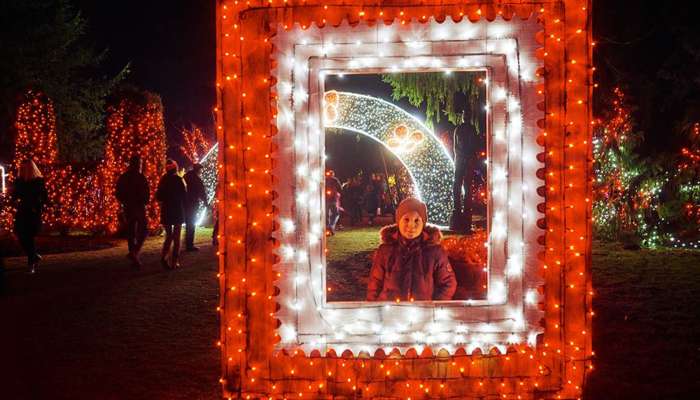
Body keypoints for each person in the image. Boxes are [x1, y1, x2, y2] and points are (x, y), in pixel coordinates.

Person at [366, 197, 456, 301]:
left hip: (422, 313)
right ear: (398, 221)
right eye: (406, 219)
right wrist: (374, 307)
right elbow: (375, 283)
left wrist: (434, 306)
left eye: (417, 220)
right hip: (391, 312)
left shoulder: (434, 251)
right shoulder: (386, 250)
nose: (411, 226)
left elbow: (448, 282)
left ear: (423, 223)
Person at [12, 159, 48, 274]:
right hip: (22, 211)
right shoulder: (19, 181)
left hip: (32, 212)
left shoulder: (38, 181)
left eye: (23, 168)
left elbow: (44, 196)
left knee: (29, 237)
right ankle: (34, 256)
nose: (21, 170)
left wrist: (39, 206)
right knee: (19, 234)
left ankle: (31, 263)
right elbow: (15, 195)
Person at [115, 155, 150, 268]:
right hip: (137, 206)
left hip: (129, 206)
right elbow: (146, 192)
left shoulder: (124, 177)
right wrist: (143, 200)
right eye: (139, 163)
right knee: (143, 230)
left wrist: (124, 201)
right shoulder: (140, 177)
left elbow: (118, 192)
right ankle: (134, 253)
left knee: (131, 232)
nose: (140, 165)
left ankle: (134, 254)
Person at [156, 159, 187, 269]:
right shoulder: (179, 180)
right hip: (177, 210)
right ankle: (175, 261)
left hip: (167, 210)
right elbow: (184, 195)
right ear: (175, 169)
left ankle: (164, 256)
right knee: (177, 236)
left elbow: (158, 196)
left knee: (169, 236)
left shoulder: (163, 180)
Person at [183, 163, 207, 251]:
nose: (201, 172)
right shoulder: (196, 179)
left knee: (189, 222)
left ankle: (187, 243)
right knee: (191, 223)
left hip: (185, 203)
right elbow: (202, 192)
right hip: (192, 203)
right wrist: (206, 203)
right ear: (198, 170)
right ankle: (189, 245)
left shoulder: (186, 177)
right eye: (200, 170)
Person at [325, 169, 342, 235]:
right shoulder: (335, 180)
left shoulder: (324, 180)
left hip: (325, 200)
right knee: (336, 214)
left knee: (327, 215)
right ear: (333, 174)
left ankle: (327, 228)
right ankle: (331, 226)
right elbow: (340, 188)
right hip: (333, 200)